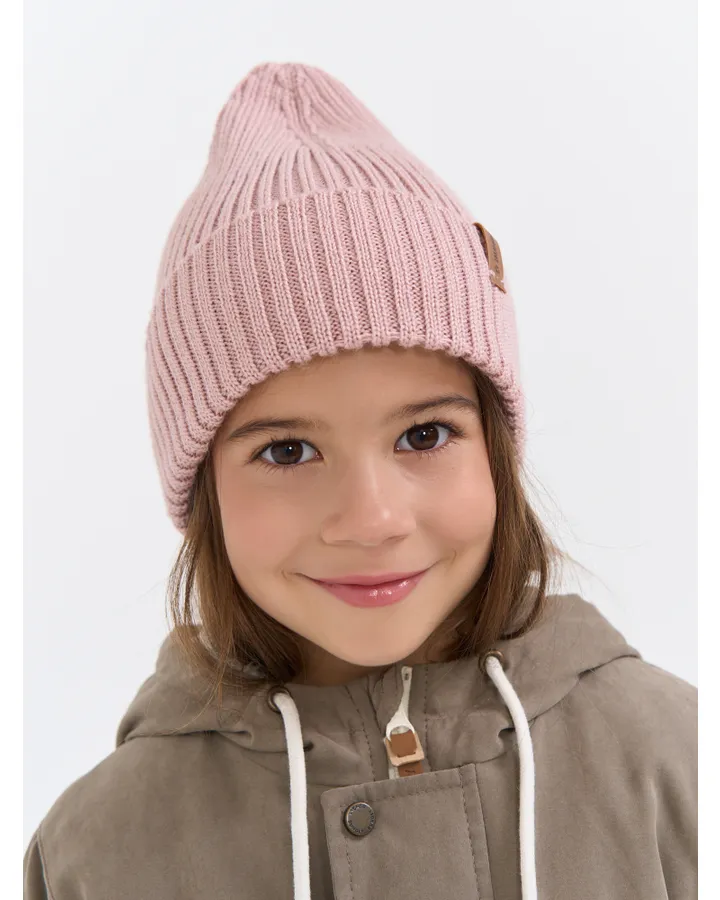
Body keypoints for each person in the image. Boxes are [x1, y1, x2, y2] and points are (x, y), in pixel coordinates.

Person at [24, 61, 697, 900]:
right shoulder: (102, 854)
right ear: (202, 490)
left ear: (494, 447)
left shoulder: (675, 767)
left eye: (424, 435)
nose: (373, 518)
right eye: (286, 452)